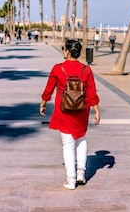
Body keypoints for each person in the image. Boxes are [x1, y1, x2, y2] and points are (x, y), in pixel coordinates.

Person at [40, 39, 100, 190]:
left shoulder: (58, 68)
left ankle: (71, 179)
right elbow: (92, 92)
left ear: (66, 51)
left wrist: (43, 103)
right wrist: (96, 110)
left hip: (64, 111)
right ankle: (81, 173)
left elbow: (49, 88)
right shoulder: (86, 70)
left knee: (68, 144)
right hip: (82, 110)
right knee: (81, 139)